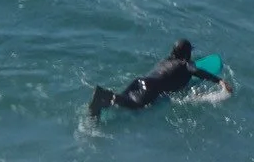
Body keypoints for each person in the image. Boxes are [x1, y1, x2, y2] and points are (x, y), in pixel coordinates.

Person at [90, 39, 231, 118]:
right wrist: (220, 81)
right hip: (151, 88)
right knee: (135, 106)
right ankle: (103, 94)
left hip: (139, 81)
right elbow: (197, 71)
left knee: (121, 100)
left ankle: (97, 109)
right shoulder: (185, 64)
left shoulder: (166, 60)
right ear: (187, 53)